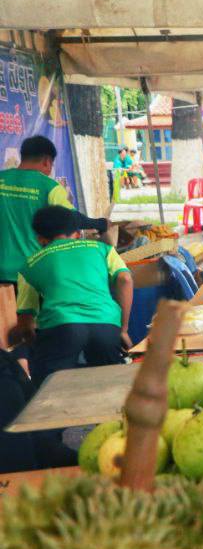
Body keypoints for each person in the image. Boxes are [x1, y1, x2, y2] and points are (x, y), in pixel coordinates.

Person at [12, 206, 131, 387]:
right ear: (76, 233)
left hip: (61, 328)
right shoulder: (103, 249)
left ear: (40, 240)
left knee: (49, 391)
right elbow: (125, 278)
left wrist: (30, 340)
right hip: (106, 325)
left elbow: (26, 319)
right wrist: (122, 329)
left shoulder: (30, 264)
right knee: (111, 387)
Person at [0, 136, 75, 289]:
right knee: (27, 314)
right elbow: (72, 219)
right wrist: (101, 223)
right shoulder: (50, 187)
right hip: (31, 275)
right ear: (47, 161)